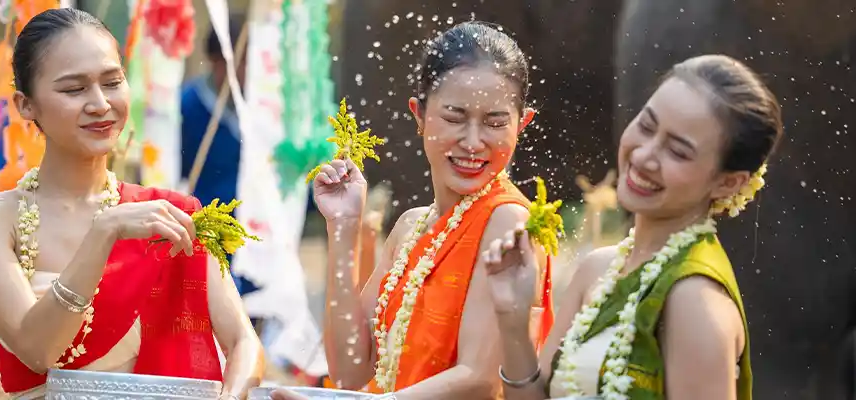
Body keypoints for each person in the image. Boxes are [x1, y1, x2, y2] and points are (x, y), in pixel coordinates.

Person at [0, 9, 264, 399]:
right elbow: (38, 350)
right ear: (25, 105)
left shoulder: (171, 214)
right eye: (74, 89)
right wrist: (104, 232)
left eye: (112, 82)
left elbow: (244, 343)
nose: (100, 103)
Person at [273, 21, 553, 400]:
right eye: (454, 118)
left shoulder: (509, 220)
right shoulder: (409, 227)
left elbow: (479, 378)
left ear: (522, 124)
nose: (473, 142)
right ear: (419, 115)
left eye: (495, 123)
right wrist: (343, 227)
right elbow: (349, 371)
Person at [486, 54, 782, 400]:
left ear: (728, 183)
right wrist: (513, 321)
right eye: (646, 125)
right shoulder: (597, 268)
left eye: (678, 151)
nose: (643, 156)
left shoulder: (695, 301)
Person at [179, 15, 262, 299]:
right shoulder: (187, 107)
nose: (250, 71)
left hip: (256, 237)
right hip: (209, 237)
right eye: (243, 61)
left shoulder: (264, 109)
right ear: (218, 62)